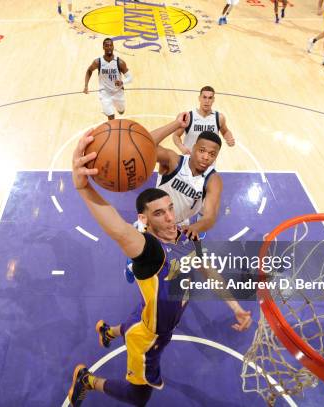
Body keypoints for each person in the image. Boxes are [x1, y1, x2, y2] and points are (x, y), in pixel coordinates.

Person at [67, 132, 252, 406]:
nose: (169, 218)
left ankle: (108, 331)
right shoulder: (151, 251)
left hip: (156, 313)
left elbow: (208, 270)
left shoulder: (185, 237)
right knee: (138, 396)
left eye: (169, 209)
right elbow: (119, 230)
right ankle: (87, 380)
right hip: (151, 338)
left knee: (144, 310)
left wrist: (236, 307)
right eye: (158, 214)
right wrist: (83, 187)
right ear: (144, 220)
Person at [123, 113, 223, 283]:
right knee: (140, 255)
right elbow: (143, 145)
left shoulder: (213, 180)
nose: (206, 157)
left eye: (212, 154)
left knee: (168, 270)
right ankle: (132, 263)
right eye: (202, 151)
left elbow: (211, 216)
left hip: (177, 227)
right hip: (152, 221)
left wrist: (197, 227)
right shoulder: (173, 160)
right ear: (193, 148)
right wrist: (174, 124)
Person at [172, 86, 234, 154]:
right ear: (199, 98)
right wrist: (182, 148)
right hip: (189, 159)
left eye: (210, 98)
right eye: (204, 97)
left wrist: (229, 138)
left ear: (213, 99)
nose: (207, 101)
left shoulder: (219, 118)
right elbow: (176, 136)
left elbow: (225, 132)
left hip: (209, 162)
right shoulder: (189, 116)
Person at [84, 38, 132, 121]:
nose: (109, 47)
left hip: (118, 92)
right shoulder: (98, 62)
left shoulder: (119, 62)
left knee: (121, 111)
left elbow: (130, 78)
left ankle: (118, 108)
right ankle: (108, 115)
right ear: (103, 47)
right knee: (111, 117)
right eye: (106, 46)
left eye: (110, 45)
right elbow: (89, 70)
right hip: (104, 93)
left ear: (113, 47)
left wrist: (122, 82)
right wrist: (86, 85)